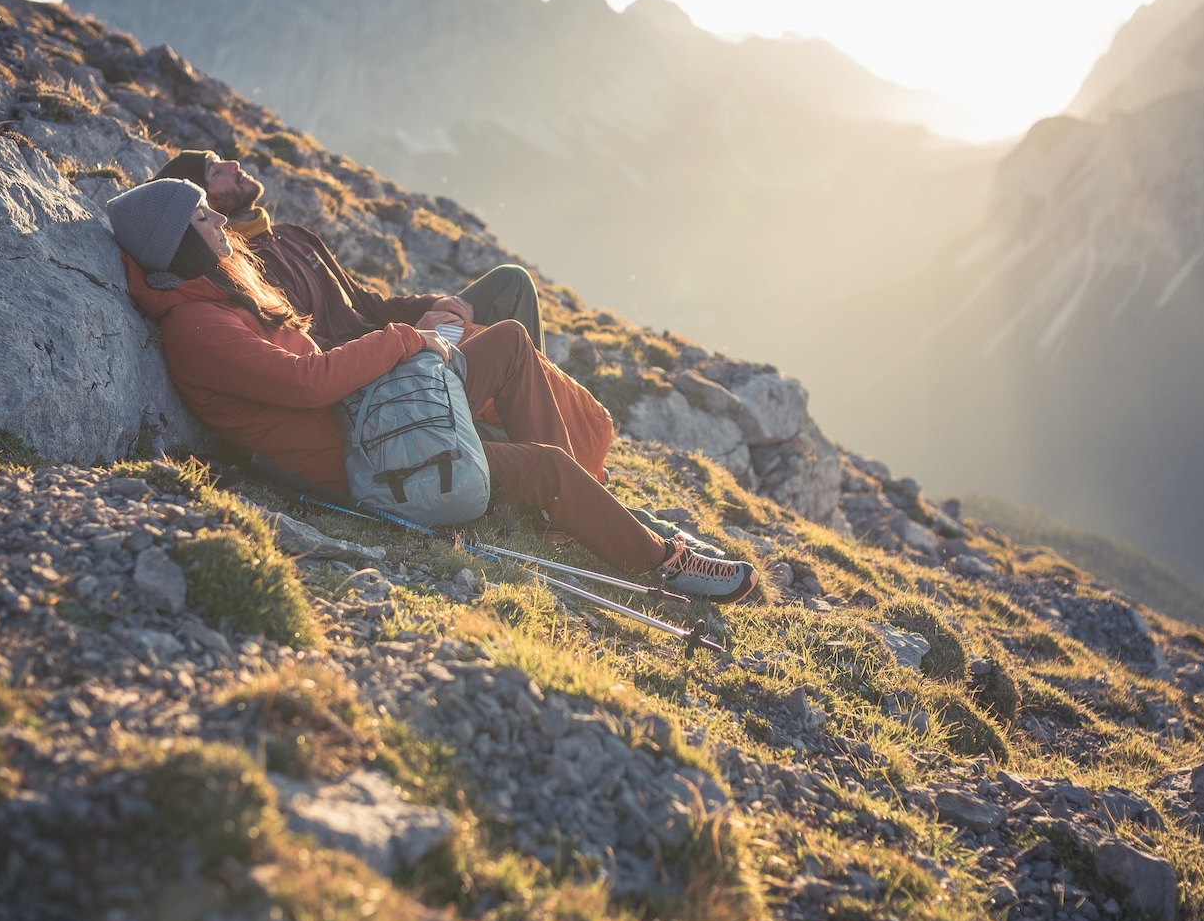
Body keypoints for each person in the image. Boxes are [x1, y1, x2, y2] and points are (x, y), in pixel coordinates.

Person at [105, 178, 756, 602]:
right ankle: (660, 562)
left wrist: (413, 336)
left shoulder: (218, 297)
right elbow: (307, 384)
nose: (219, 221)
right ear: (178, 243)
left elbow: (326, 358)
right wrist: (406, 341)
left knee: (509, 342)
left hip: (372, 414)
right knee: (546, 467)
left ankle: (566, 516)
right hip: (370, 457)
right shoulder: (199, 327)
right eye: (202, 217)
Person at [155, 150, 542, 352]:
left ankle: (538, 416)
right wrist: (409, 338)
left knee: (512, 282)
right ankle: (534, 433)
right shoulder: (244, 270)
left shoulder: (292, 235)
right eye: (215, 171)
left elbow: (365, 301)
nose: (233, 164)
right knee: (505, 343)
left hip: (399, 339)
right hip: (386, 364)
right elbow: (311, 352)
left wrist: (433, 302)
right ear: (204, 204)